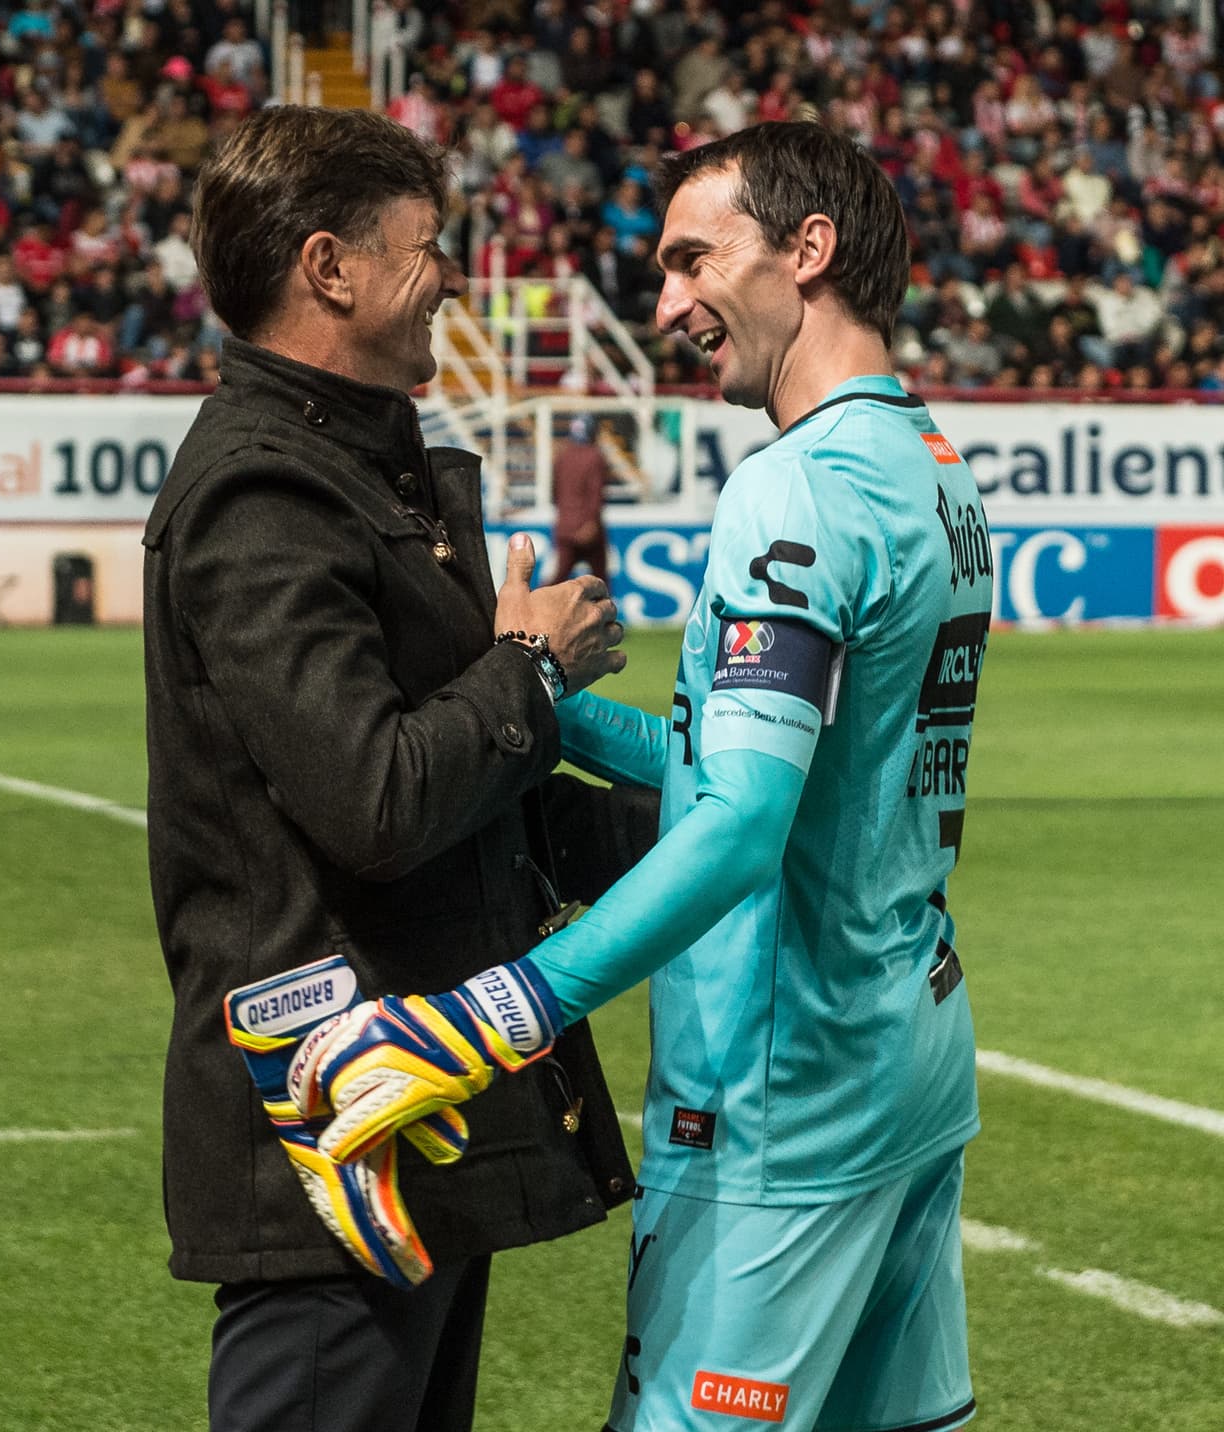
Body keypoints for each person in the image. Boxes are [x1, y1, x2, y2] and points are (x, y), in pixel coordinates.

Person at [269, 120, 994, 1432]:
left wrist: (497, 1012)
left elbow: (740, 824)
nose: (665, 305)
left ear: (808, 250)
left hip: (778, 1095)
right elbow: (764, 773)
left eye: (691, 259)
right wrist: (540, 692)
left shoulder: (791, 492)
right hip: (910, 1056)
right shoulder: (929, 468)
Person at [141, 105, 658, 1432]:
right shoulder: (264, 494)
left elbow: (476, 813)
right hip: (330, 1126)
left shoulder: (359, 469)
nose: (452, 280)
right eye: (427, 246)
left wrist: (708, 825)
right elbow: (380, 799)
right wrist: (531, 665)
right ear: (329, 267)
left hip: (408, 1109)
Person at [552, 413, 609, 583]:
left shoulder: (562, 456)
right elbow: (595, 494)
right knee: (600, 581)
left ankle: (537, 598)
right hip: (588, 528)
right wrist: (591, 522)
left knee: (559, 576)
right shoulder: (594, 456)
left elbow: (555, 492)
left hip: (564, 526)